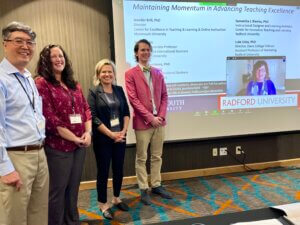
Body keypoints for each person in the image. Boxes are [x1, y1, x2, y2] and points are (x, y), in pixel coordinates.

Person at [35, 44, 92, 225]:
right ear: (46, 60)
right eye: (54, 56)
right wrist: (76, 138)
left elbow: (86, 109)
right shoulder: (41, 83)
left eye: (61, 56)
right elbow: (50, 119)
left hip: (79, 146)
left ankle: (72, 221)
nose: (59, 59)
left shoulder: (74, 84)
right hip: (59, 148)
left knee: (73, 189)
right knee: (57, 191)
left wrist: (88, 132)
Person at [0, 21, 49, 225]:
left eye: (30, 42)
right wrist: (5, 167)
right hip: (16, 156)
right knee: (14, 218)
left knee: (39, 213)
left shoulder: (28, 76)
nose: (25, 46)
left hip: (39, 153)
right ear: (5, 44)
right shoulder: (1, 78)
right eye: (18, 41)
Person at [125, 39, 172, 205]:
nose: (145, 52)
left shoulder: (158, 72)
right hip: (143, 123)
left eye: (148, 50)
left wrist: (160, 116)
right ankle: (144, 188)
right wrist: (150, 117)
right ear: (136, 53)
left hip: (159, 122)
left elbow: (165, 96)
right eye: (142, 50)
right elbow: (133, 99)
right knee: (141, 157)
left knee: (157, 155)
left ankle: (157, 184)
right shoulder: (130, 74)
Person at [88, 59, 130, 219]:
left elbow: (126, 112)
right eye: (103, 72)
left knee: (119, 169)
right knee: (103, 172)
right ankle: (103, 204)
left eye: (110, 71)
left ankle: (116, 198)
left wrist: (123, 132)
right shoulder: (93, 92)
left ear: (114, 74)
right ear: (98, 75)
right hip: (103, 140)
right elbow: (93, 117)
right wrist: (111, 134)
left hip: (120, 137)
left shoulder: (119, 90)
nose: (107, 74)